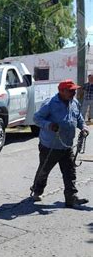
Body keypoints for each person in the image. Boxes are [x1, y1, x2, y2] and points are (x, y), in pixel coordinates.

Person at [31, 79, 90, 207]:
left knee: (70, 172)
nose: (74, 93)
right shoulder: (50, 104)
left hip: (66, 145)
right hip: (50, 146)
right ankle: (37, 191)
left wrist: (84, 127)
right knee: (44, 170)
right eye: (71, 91)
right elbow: (36, 118)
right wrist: (49, 125)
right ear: (61, 91)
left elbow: (79, 118)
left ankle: (71, 198)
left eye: (74, 90)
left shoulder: (74, 102)